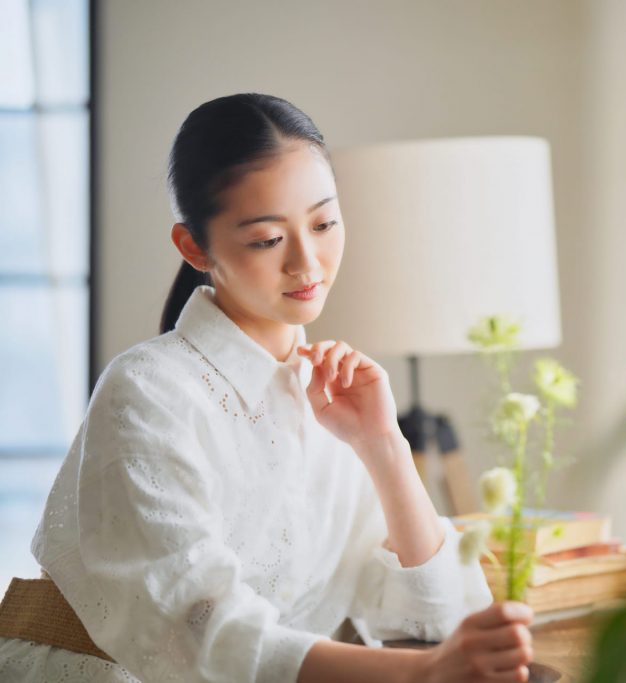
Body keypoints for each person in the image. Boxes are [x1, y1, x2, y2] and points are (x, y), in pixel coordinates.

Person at [0, 93, 534, 683]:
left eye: (325, 223)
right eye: (266, 239)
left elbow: (444, 618)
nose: (308, 264)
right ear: (193, 246)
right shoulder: (147, 393)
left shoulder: (329, 397)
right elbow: (204, 633)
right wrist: (422, 673)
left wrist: (383, 445)